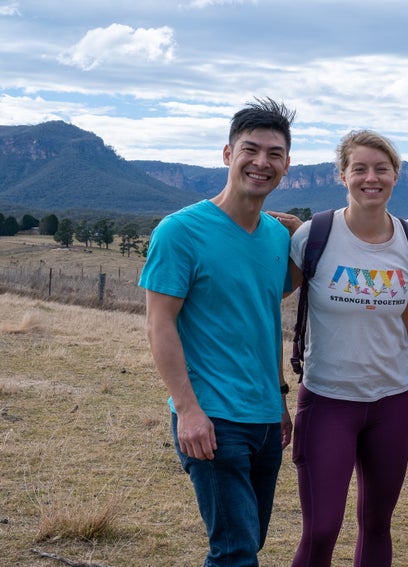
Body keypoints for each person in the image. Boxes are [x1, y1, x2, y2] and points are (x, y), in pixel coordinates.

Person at [139, 98, 296, 566]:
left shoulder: (278, 238)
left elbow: (259, 319)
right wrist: (187, 411)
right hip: (213, 418)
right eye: (251, 149)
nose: (261, 163)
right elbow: (158, 322)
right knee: (234, 551)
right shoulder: (180, 231)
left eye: (274, 154)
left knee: (249, 540)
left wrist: (281, 405)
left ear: (287, 165)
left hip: (267, 419)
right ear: (228, 155)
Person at [287, 130, 408, 567]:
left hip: (391, 403)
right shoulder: (314, 236)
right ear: (342, 175)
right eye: (360, 169)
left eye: (381, 168)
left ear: (396, 175)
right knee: (322, 528)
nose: (371, 178)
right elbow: (267, 302)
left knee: (378, 523)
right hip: (328, 400)